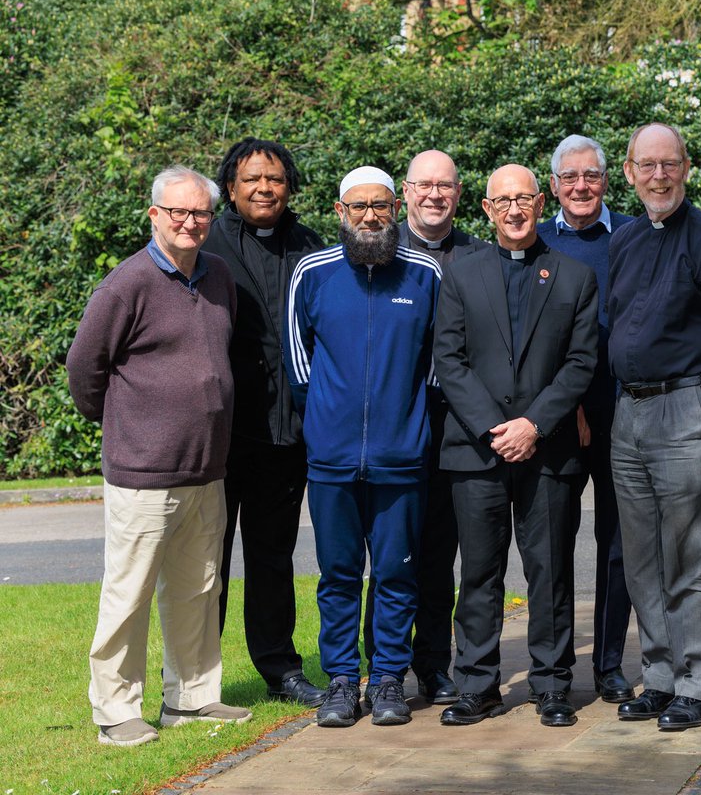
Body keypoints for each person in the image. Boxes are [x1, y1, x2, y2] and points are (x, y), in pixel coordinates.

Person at [67, 165, 252, 747]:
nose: (190, 222)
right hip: (143, 471)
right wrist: (129, 425)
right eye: (178, 212)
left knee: (199, 586)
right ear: (155, 215)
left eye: (200, 213)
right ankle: (115, 710)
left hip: (207, 467)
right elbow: (83, 368)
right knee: (130, 592)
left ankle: (191, 700)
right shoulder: (127, 284)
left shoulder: (218, 276)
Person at [434, 164, 598, 728]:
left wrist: (533, 424)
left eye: (524, 198)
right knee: (479, 574)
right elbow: (449, 362)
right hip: (476, 451)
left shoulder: (574, 276)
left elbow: (581, 363)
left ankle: (552, 686)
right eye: (502, 201)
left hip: (547, 450)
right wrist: (494, 428)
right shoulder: (458, 273)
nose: (514, 209)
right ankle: (476, 686)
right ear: (485, 208)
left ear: (539, 201)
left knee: (549, 571)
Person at [607, 123, 701, 730]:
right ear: (630, 171)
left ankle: (697, 682)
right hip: (629, 411)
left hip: (689, 405)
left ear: (687, 168)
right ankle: (661, 676)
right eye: (648, 165)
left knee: (694, 553)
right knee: (643, 557)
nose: (659, 176)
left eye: (670, 164)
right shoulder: (625, 241)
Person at [283, 166, 441, 728]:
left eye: (379, 205)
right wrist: (326, 422)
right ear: (340, 210)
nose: (369, 215)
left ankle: (391, 679)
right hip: (331, 459)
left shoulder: (424, 273)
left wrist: (408, 419)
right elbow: (298, 358)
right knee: (339, 575)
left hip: (402, 456)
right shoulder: (313, 271)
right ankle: (343, 682)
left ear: (396, 207)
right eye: (358, 207)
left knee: (398, 573)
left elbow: (436, 361)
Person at [361, 149, 490, 707]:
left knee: (439, 553)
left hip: (454, 428)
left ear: (460, 194)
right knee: (388, 556)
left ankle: (434, 665)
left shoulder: (481, 256)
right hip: (390, 428)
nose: (435, 195)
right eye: (424, 186)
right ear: (405, 193)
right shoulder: (376, 254)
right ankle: (380, 668)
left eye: (446, 186)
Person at [204, 138, 325, 708]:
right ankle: (198, 682)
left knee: (273, 558)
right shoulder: (206, 244)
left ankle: (281, 670)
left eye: (274, 178)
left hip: (289, 434)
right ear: (230, 187)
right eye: (251, 179)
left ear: (289, 186)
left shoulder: (311, 246)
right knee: (209, 562)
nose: (264, 188)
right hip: (222, 437)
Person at [537, 134, 637, 703]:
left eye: (591, 176)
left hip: (623, 408)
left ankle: (607, 663)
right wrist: (564, 399)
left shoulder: (630, 236)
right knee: (554, 540)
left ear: (607, 180)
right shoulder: (537, 239)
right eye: (569, 177)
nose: (580, 186)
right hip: (560, 414)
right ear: (553, 184)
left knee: (618, 541)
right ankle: (554, 671)